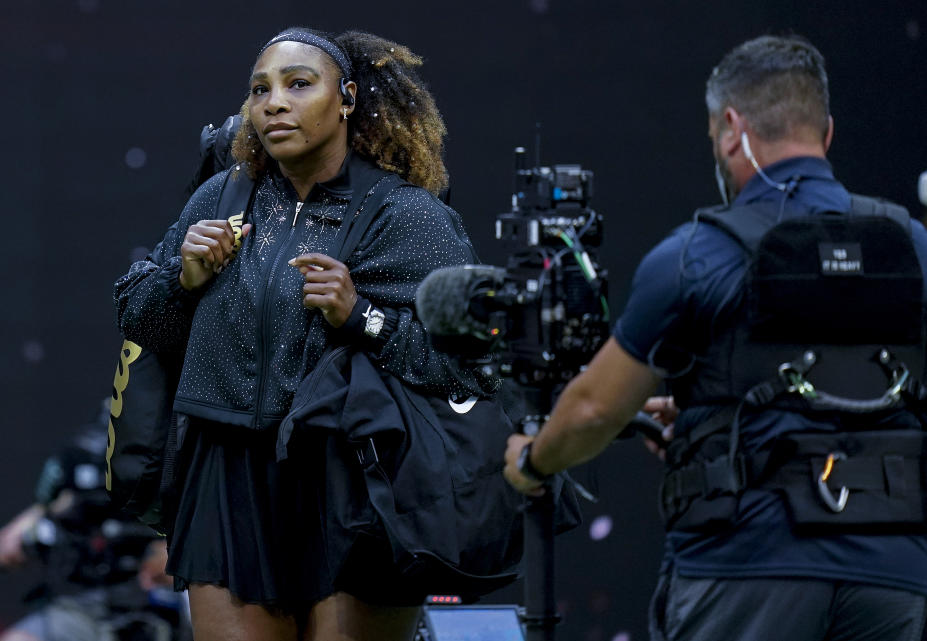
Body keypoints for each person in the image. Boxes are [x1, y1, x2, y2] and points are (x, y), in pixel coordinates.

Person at [504, 35, 927, 641]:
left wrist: (532, 458)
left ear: (732, 128)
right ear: (826, 132)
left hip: (747, 567)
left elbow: (596, 406)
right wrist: (710, 414)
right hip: (894, 575)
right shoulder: (910, 244)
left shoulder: (700, 253)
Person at [115, 28, 494, 641]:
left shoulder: (408, 217)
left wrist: (363, 315)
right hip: (226, 476)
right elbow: (140, 322)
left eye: (298, 84)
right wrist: (183, 281)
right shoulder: (220, 199)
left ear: (346, 98)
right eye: (260, 89)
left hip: (354, 480)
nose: (274, 103)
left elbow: (472, 366)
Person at [0, 403, 182, 641]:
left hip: (147, 614)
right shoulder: (72, 494)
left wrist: (162, 558)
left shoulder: (173, 483)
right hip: (76, 609)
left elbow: (192, 565)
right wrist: (42, 525)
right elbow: (5, 549)